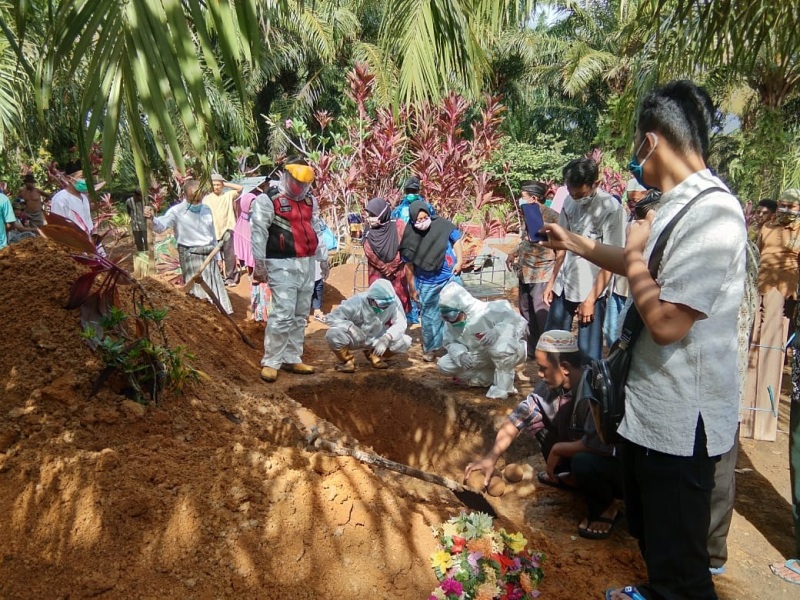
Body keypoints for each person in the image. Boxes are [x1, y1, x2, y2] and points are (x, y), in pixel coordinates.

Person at [542, 80, 746, 600]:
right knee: (657, 542)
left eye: (636, 145)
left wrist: (632, 253)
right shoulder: (679, 203)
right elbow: (640, 266)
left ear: (650, 142)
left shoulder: (714, 214)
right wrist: (577, 243)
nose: (635, 157)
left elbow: (668, 322)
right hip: (652, 413)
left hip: (683, 421)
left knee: (682, 568)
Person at [464, 330, 624, 539]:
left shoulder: (596, 387)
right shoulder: (550, 387)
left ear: (564, 368)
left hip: (616, 467)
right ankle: (573, 478)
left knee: (585, 461)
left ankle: (607, 506)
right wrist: (491, 458)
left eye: (543, 368)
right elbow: (517, 419)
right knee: (537, 425)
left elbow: (598, 445)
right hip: (583, 451)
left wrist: (558, 450)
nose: (539, 374)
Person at [251, 158, 329, 382]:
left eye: (305, 185)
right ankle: (271, 361)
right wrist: (260, 263)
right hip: (280, 262)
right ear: (286, 176)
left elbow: (316, 229)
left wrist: (323, 258)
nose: (300, 188)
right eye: (297, 182)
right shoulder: (268, 200)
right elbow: (259, 233)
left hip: (306, 262)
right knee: (283, 312)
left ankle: (292, 357)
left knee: (300, 313)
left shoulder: (309, 201)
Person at [543, 158, 625, 360]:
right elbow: (562, 246)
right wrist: (551, 282)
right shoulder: (569, 202)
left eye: (580, 194)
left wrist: (590, 300)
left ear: (595, 184)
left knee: (588, 354)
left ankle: (585, 391)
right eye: (571, 192)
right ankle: (555, 390)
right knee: (552, 345)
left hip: (591, 289)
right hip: (564, 283)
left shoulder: (611, 209)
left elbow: (612, 260)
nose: (575, 197)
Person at [144, 180, 233, 314]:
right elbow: (161, 226)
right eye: (193, 200)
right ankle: (204, 317)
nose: (197, 204)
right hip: (190, 255)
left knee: (214, 287)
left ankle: (220, 315)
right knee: (198, 292)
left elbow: (212, 234)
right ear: (185, 196)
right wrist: (152, 218)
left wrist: (219, 257)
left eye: (199, 200)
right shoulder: (176, 211)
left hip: (209, 254)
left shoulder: (207, 209)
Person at [436, 281, 526, 399]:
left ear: (462, 308)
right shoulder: (450, 324)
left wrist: (498, 331)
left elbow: (519, 323)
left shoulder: (489, 310)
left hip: (504, 351)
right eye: (445, 317)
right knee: (444, 365)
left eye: (452, 316)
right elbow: (450, 342)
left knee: (501, 348)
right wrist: (460, 355)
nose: (450, 320)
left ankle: (504, 387)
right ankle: (486, 377)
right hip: (479, 354)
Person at [399, 200, 463, 362]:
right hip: (427, 281)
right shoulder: (410, 237)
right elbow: (408, 265)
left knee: (456, 312)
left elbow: (456, 240)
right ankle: (431, 348)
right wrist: (412, 288)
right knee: (429, 317)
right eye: (418, 220)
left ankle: (458, 345)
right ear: (412, 220)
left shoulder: (442, 225)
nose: (422, 222)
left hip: (449, 276)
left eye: (424, 217)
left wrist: (460, 261)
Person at [505, 181, 559, 357]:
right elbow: (525, 240)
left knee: (541, 311)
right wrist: (513, 253)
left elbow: (561, 248)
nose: (521, 199)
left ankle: (547, 350)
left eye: (523, 196)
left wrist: (554, 279)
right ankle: (531, 348)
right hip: (525, 270)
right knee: (525, 310)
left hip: (542, 271)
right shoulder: (527, 213)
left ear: (534, 198)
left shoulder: (552, 217)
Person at [325, 278, 412, 372]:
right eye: (380, 305)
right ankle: (348, 361)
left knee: (404, 342)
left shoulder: (394, 302)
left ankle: (374, 355)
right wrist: (350, 327)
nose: (382, 308)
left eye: (385, 306)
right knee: (332, 334)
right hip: (355, 337)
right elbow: (332, 318)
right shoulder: (356, 302)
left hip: (377, 337)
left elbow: (401, 323)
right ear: (371, 298)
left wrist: (386, 338)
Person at [756, 189, 800, 322]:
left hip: (787, 288)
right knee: (758, 324)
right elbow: (757, 254)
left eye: (791, 207)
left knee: (781, 326)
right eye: (783, 206)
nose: (786, 210)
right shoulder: (767, 227)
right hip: (761, 284)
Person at [363, 197, 411, 314]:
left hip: (397, 274)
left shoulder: (399, 225)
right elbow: (368, 250)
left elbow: (406, 245)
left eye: (373, 215)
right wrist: (385, 268)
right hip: (377, 273)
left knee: (398, 303)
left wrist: (393, 265)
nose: (370, 219)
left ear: (382, 213)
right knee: (379, 303)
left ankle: (398, 329)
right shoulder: (368, 229)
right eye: (369, 215)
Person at [203, 174, 244, 287]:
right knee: (214, 256)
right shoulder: (207, 199)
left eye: (218, 184)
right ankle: (218, 278)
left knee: (229, 256)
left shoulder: (228, 195)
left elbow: (240, 189)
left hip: (228, 228)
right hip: (213, 230)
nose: (216, 187)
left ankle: (230, 279)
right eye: (214, 184)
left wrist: (225, 183)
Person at [50, 171, 95, 238]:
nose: (85, 181)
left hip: (89, 241)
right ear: (69, 178)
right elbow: (58, 226)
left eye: (87, 178)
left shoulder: (84, 198)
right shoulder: (60, 199)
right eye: (82, 177)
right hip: (73, 243)